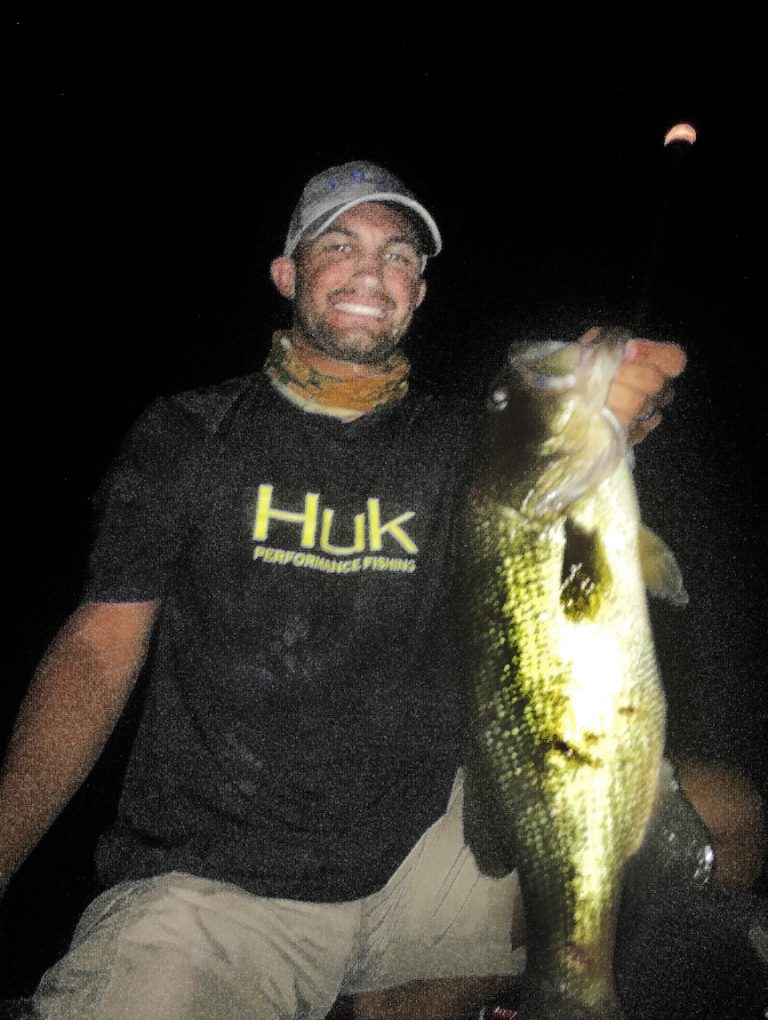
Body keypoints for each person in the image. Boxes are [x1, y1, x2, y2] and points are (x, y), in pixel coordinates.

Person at [0, 160, 707, 1019]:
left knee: (728, 816)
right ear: (288, 275)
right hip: (219, 878)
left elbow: (553, 453)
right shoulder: (190, 434)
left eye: (401, 255)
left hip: (423, 850)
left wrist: (623, 399)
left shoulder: (464, 446)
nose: (373, 272)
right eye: (340, 245)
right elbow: (96, 652)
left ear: (418, 293)